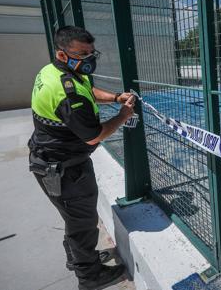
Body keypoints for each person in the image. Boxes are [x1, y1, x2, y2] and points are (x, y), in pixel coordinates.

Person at [28, 26, 135, 290]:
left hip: (54, 162)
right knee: (83, 224)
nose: (89, 59)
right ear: (62, 54)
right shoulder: (67, 92)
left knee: (74, 219)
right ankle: (89, 276)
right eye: (82, 54)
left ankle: (78, 260)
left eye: (91, 52)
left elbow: (88, 88)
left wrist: (113, 97)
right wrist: (123, 115)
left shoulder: (56, 71)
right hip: (65, 171)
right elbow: (93, 137)